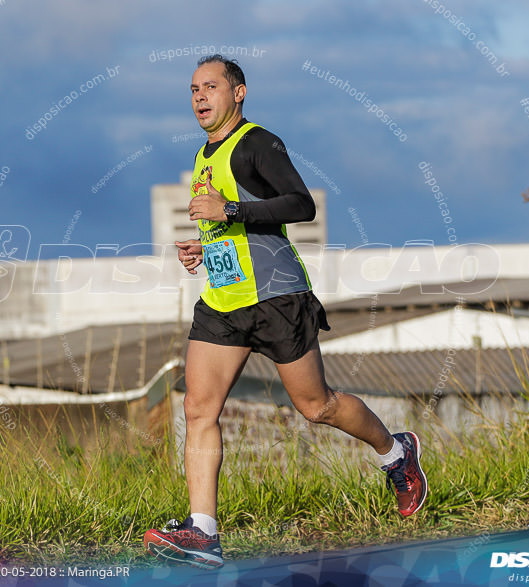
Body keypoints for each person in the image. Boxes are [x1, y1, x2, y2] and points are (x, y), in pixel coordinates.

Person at [143, 55, 427, 569]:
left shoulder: (257, 143)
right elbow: (237, 232)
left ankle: (396, 451)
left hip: (278, 297)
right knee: (198, 410)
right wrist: (205, 248)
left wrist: (229, 211)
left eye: (211, 86)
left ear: (239, 93)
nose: (200, 97)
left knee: (317, 406)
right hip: (225, 301)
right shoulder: (203, 156)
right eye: (192, 89)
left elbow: (300, 205)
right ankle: (203, 532)